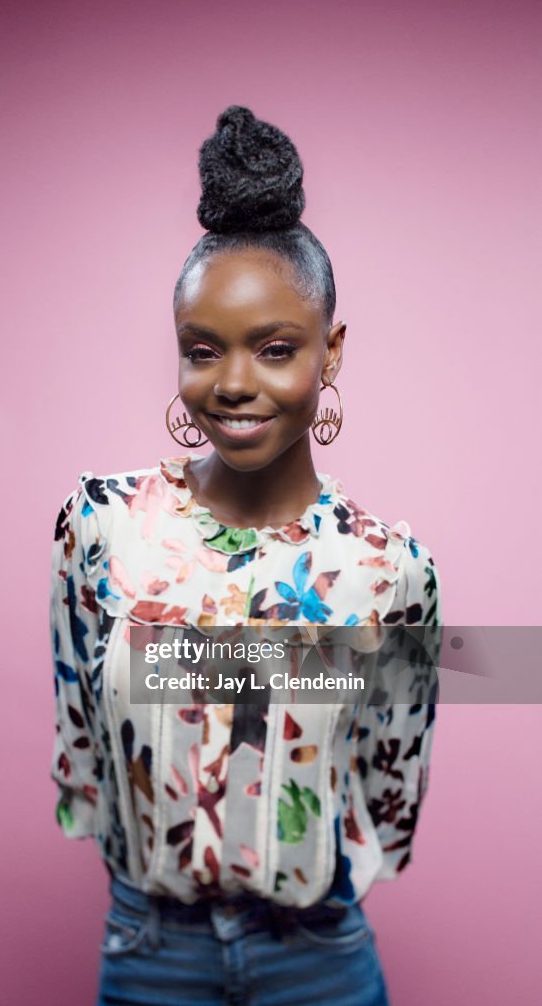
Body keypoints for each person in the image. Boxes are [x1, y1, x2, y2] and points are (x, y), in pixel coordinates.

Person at [49, 105, 442, 1006]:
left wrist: (313, 872)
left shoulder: (389, 567)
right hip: (149, 948)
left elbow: (392, 777)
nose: (232, 382)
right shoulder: (101, 523)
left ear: (328, 352)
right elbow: (80, 730)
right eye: (202, 350)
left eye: (273, 349)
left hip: (318, 954)